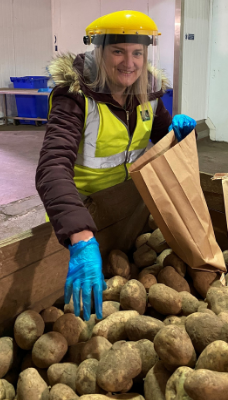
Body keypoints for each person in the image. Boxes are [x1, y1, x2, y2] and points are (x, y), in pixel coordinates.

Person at [36, 10, 197, 321]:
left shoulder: (147, 93)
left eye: (137, 52)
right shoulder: (75, 98)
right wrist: (80, 237)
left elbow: (162, 134)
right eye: (118, 51)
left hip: (126, 212)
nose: (130, 62)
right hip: (78, 217)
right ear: (99, 52)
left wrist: (178, 134)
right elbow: (51, 168)